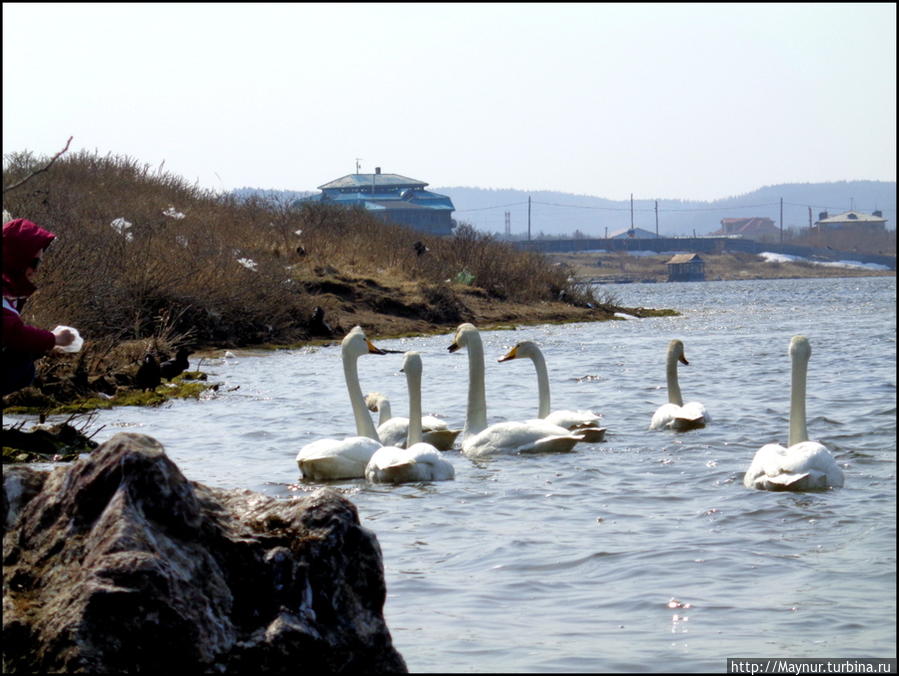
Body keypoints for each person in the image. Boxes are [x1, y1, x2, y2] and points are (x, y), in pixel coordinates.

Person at [2, 218, 76, 396]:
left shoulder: (8, 291)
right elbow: (11, 334)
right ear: (16, 259)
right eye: (34, 262)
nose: (36, 270)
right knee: (21, 364)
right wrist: (53, 339)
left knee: (24, 357)